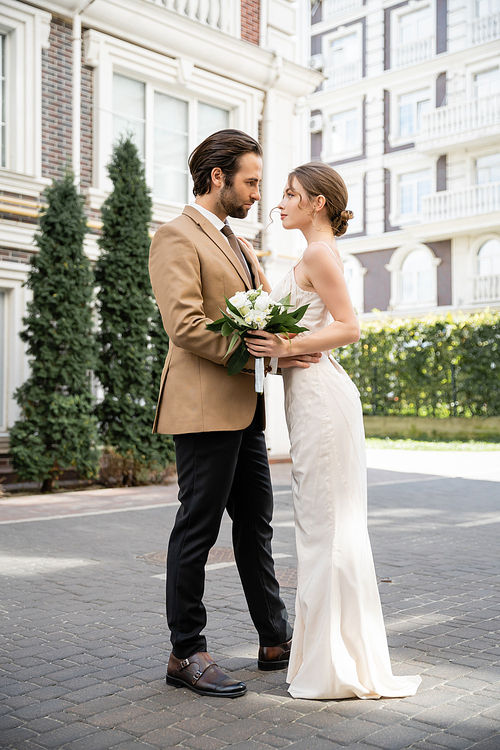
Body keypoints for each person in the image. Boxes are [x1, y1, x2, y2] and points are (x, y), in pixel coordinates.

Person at [149, 131, 321, 699]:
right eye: (250, 181)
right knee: (196, 529)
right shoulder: (175, 237)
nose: (256, 193)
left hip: (247, 407)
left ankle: (274, 639)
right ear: (217, 176)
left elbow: (269, 311)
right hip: (202, 406)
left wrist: (292, 341)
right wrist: (248, 346)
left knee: (256, 524)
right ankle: (186, 653)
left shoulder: (242, 246)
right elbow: (185, 325)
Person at [245, 162, 421, 700]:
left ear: (317, 202)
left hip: (323, 400)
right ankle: (333, 653)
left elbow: (348, 326)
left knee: (325, 526)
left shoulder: (319, 253)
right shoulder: (311, 255)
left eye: (291, 194)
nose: (280, 202)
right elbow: (307, 322)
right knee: (324, 524)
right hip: (311, 397)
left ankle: (334, 663)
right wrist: (282, 341)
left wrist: (284, 347)